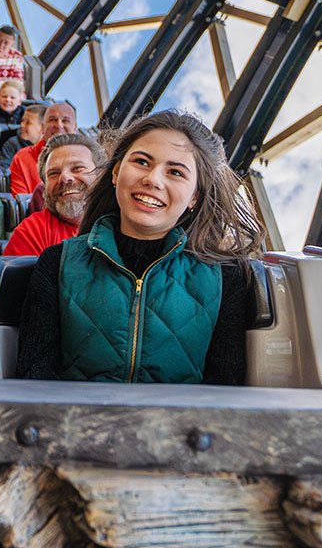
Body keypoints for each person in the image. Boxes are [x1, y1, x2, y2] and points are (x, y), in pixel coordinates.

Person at [15, 111, 264, 385]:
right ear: (115, 172)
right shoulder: (58, 262)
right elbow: (36, 379)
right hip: (75, 425)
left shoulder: (226, 278)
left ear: (195, 195)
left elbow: (224, 392)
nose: (153, 179)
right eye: (142, 162)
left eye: (175, 172)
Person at [3, 132, 98, 257]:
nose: (64, 178)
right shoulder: (31, 231)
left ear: (102, 175)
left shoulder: (123, 222)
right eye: (53, 173)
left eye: (77, 168)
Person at [7, 100, 77, 197]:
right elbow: (22, 203)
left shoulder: (88, 159)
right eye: (53, 120)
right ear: (43, 127)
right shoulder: (22, 158)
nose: (59, 125)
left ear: (75, 128)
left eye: (65, 121)